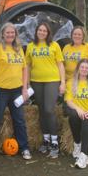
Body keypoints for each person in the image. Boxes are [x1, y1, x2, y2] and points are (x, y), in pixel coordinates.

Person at [0, 22, 32, 160]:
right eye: (8, 33)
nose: (10, 35)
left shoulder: (18, 49)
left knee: (19, 120)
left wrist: (24, 89)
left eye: (13, 33)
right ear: (3, 34)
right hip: (1, 90)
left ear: (15, 35)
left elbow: (24, 69)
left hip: (17, 90)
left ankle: (24, 148)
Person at [25, 22, 65, 158]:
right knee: (42, 111)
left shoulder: (54, 45)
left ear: (48, 33)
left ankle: (55, 143)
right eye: (40, 30)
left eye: (44, 31)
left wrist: (63, 82)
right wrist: (27, 83)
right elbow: (28, 66)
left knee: (49, 109)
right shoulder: (30, 46)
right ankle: (46, 140)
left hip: (52, 81)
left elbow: (60, 65)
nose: (42, 32)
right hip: (36, 82)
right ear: (36, 32)